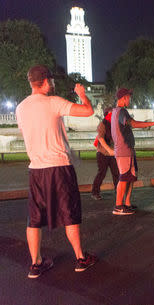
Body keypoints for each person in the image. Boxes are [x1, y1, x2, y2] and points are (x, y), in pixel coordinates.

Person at [16, 65, 98, 278]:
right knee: (69, 213)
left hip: (36, 169)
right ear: (44, 82)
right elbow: (88, 111)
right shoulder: (53, 102)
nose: (53, 84)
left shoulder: (21, 108)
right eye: (51, 81)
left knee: (33, 219)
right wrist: (82, 96)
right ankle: (80, 258)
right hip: (59, 166)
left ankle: (35, 263)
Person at [111, 88, 154, 215]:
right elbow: (134, 124)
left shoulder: (116, 111)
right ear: (124, 97)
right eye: (129, 97)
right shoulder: (121, 111)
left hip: (126, 150)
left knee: (130, 177)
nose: (130, 99)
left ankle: (127, 203)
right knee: (124, 177)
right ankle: (118, 206)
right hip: (124, 150)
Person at [91, 107, 119, 200]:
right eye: (111, 113)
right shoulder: (102, 125)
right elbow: (101, 138)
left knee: (116, 173)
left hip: (112, 153)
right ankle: (95, 192)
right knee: (101, 173)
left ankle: (118, 191)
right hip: (103, 153)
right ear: (107, 114)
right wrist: (109, 150)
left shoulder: (115, 124)